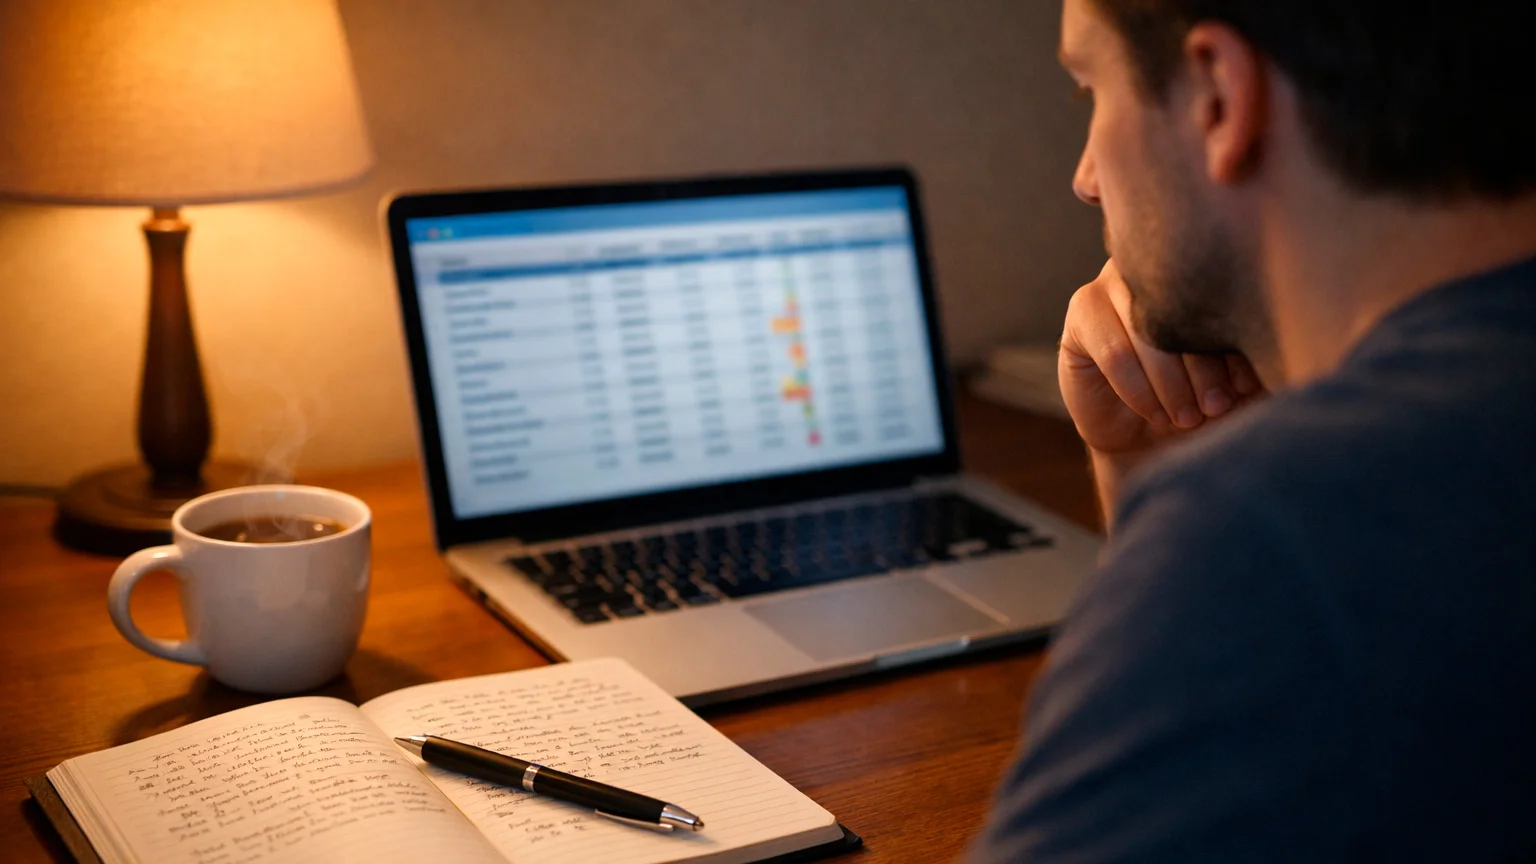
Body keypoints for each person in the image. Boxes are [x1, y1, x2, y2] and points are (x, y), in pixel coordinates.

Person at [967, 0, 1536, 860]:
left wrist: (1210, 509)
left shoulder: (1274, 532)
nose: (1086, 175)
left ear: (1218, 96)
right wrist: (1154, 468)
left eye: (1093, 89)